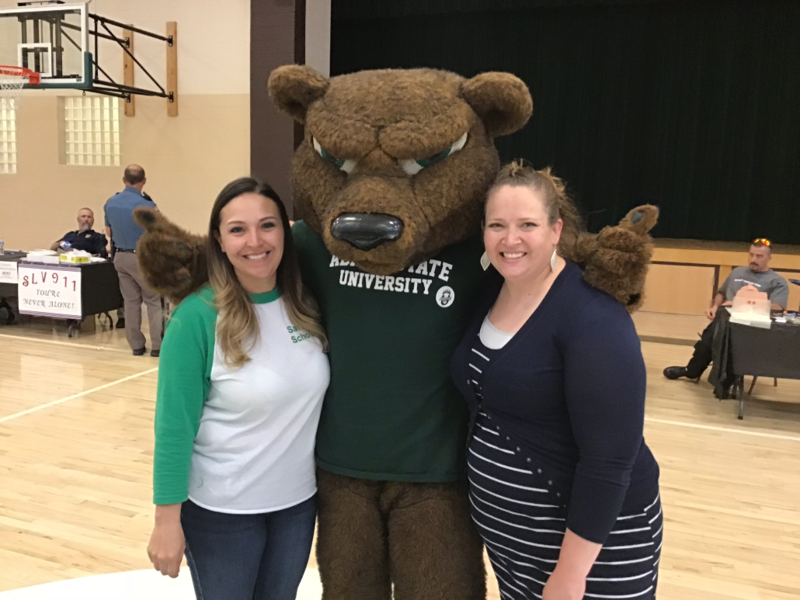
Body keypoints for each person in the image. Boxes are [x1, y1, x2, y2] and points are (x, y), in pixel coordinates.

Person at [451, 162, 662, 600]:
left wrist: (570, 574)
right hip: (515, 547)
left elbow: (609, 462)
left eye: (527, 224)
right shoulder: (491, 292)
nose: (510, 239)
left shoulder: (594, 317)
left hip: (592, 550)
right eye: (497, 225)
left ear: (555, 229)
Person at [146, 178, 330, 600]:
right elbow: (174, 428)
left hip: (296, 507)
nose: (255, 241)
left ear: (286, 231)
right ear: (219, 240)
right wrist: (166, 520)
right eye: (237, 230)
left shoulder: (303, 304)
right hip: (222, 514)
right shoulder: (196, 317)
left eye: (267, 226)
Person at [664, 238, 789, 380]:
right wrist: (715, 306)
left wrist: (739, 304)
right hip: (724, 320)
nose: (753, 259)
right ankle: (691, 370)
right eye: (751, 254)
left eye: (759, 256)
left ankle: (723, 379)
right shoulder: (737, 272)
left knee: (722, 343)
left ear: (769, 258)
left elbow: (777, 308)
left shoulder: (777, 281)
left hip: (751, 327)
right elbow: (721, 293)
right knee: (708, 339)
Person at [104, 164, 163, 355]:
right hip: (142, 258)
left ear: (124, 180)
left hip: (120, 256)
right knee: (153, 301)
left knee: (130, 302)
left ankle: (136, 345)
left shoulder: (110, 202)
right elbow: (159, 233)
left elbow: (108, 232)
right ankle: (158, 346)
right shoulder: (147, 206)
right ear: (144, 181)